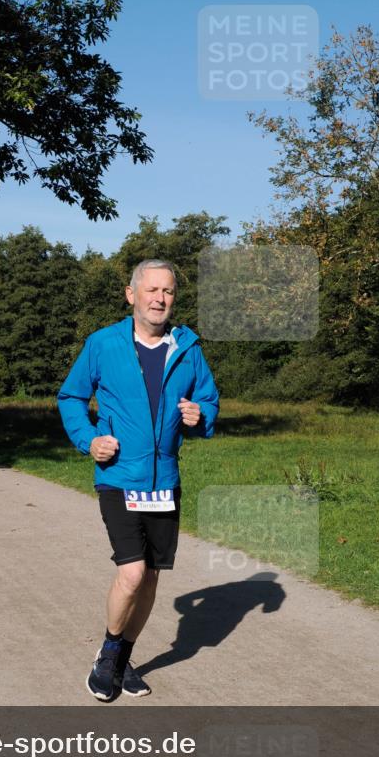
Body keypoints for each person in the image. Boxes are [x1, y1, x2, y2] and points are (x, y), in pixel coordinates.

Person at [58, 259, 220, 701]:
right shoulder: (103, 344)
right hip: (119, 477)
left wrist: (201, 414)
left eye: (167, 291)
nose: (159, 298)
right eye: (150, 290)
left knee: (150, 577)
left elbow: (208, 397)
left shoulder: (187, 347)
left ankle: (124, 658)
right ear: (131, 295)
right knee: (131, 573)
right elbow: (71, 395)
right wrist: (89, 439)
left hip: (164, 479)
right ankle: (109, 654)